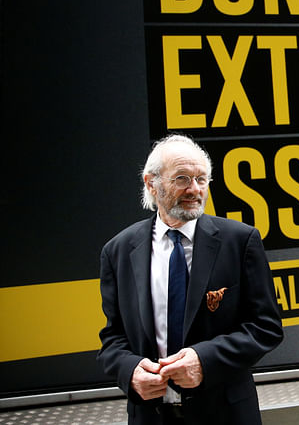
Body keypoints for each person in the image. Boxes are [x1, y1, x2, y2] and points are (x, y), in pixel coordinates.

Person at [98, 134, 284, 424]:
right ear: (151, 184)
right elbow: (112, 339)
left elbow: (266, 327)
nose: (194, 189)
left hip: (226, 414)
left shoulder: (240, 241)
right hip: (150, 416)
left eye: (202, 179)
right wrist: (131, 371)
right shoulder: (118, 251)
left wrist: (204, 361)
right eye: (182, 179)